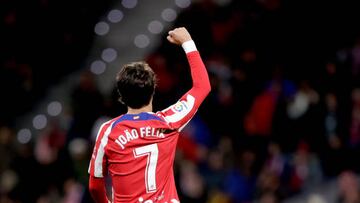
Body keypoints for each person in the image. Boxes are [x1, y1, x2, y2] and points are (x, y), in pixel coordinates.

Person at [88, 27, 211, 203]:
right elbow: (202, 87)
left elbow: (94, 185)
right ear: (153, 90)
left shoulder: (108, 131)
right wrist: (187, 42)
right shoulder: (169, 121)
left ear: (121, 96)